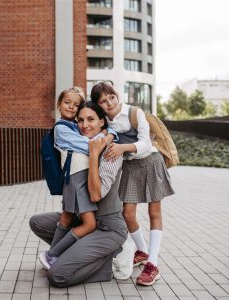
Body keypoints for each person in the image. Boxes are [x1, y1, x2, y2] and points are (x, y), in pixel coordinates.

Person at [30, 101, 127, 287]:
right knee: (37, 222)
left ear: (102, 122)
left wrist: (94, 154)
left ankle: (105, 263)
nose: (85, 125)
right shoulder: (80, 143)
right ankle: (78, 253)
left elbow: (96, 195)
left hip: (108, 228)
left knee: (57, 276)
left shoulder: (112, 151)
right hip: (83, 221)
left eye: (91, 119)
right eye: (80, 120)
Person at [90, 82, 175, 286]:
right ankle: (143, 251)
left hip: (150, 162)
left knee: (154, 212)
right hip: (130, 167)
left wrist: (122, 148)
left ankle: (152, 265)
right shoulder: (106, 122)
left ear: (117, 95)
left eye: (111, 97)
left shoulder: (134, 113)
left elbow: (146, 142)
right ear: (98, 104)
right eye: (103, 100)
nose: (109, 102)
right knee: (128, 214)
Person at [40, 87, 115, 270]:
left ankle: (51, 257)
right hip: (76, 180)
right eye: (67, 103)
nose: (72, 107)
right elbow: (88, 146)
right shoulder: (61, 129)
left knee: (66, 219)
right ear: (59, 105)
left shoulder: (75, 126)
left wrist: (108, 133)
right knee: (89, 224)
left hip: (76, 179)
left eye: (76, 105)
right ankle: (52, 255)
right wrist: (105, 136)